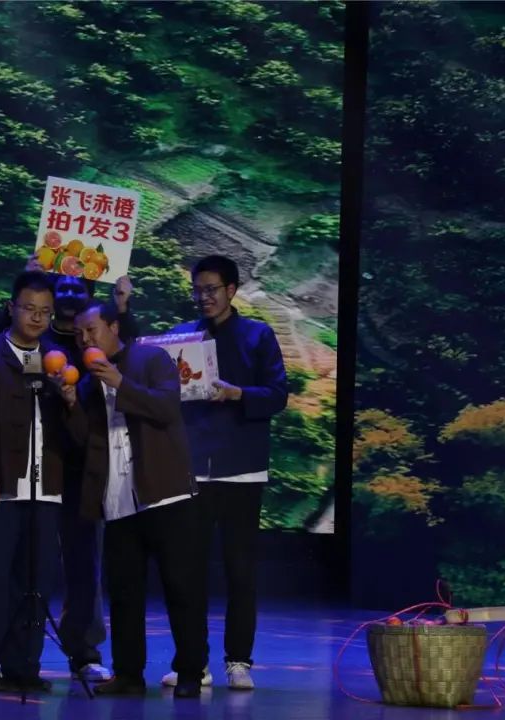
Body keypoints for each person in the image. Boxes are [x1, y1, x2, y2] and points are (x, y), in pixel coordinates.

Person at [60, 299, 207, 699]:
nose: (84, 339)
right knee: (124, 592)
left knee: (181, 587)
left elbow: (166, 408)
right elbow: (85, 441)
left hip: (166, 494)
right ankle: (128, 674)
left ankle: (190, 672)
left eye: (91, 330)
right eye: (79, 333)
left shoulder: (151, 359)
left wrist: (119, 382)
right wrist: (72, 404)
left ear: (113, 327)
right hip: (118, 498)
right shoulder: (88, 382)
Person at [164, 255, 287, 690]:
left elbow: (277, 395)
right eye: (198, 289)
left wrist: (238, 394)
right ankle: (192, 664)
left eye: (212, 289)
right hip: (193, 468)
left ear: (232, 290)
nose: (204, 297)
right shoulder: (181, 336)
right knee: (188, 571)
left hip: (242, 470)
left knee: (240, 571)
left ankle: (239, 660)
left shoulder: (258, 335)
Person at [0, 271, 66, 693]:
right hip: (0, 487)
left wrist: (68, 396)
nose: (37, 318)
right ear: (11, 308)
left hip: (45, 488)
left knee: (35, 582)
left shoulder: (56, 359)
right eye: (29, 309)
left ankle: (24, 665)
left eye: (45, 311)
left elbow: (70, 426)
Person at [40, 267, 139, 683]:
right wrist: (28, 280)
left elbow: (130, 352)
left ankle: (83, 652)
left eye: (76, 287)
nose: (68, 292)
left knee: (85, 566)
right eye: (60, 286)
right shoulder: (38, 335)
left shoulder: (98, 339)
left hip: (85, 470)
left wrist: (123, 307)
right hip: (39, 466)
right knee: (34, 564)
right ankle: (19, 657)